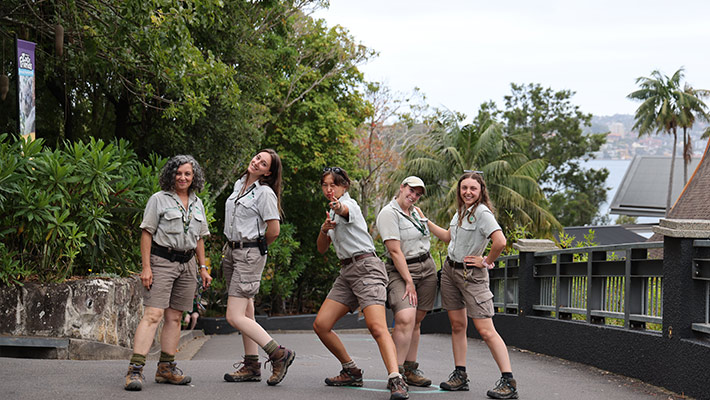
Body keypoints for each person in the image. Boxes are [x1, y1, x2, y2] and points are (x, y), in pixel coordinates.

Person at [313, 167, 409, 400]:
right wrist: (323, 230)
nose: (329, 189)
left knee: (376, 327)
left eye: (333, 185)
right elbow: (321, 249)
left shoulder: (348, 205)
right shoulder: (330, 214)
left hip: (366, 267)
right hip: (346, 271)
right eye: (325, 185)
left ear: (344, 186)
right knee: (321, 325)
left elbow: (345, 210)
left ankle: (396, 378)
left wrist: (338, 206)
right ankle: (351, 370)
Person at [425, 171, 518, 399]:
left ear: (480, 191)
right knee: (457, 326)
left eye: (472, 188)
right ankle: (460, 375)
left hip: (471, 276)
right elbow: (448, 237)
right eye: (464, 188)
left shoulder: (483, 214)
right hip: (450, 271)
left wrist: (486, 261)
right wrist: (424, 221)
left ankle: (509, 382)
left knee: (486, 330)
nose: (467, 192)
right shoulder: (460, 212)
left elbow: (500, 241)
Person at [124, 155, 213, 391]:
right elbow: (147, 233)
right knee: (153, 315)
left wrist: (203, 268)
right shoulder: (158, 200)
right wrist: (146, 267)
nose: (183, 178)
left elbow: (200, 239)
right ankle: (135, 370)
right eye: (179, 173)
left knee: (175, 317)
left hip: (188, 265)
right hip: (162, 261)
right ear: (171, 174)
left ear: (194, 177)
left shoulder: (198, 203)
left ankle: (166, 368)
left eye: (188, 174)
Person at [222, 149, 295, 386]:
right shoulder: (238, 185)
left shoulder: (264, 193)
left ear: (268, 172)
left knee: (233, 316)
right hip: (231, 251)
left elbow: (273, 230)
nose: (256, 162)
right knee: (246, 312)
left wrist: (255, 247)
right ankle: (252, 365)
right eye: (256, 158)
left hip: (249, 253)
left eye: (263, 163)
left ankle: (278, 353)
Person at [375, 176, 437, 387]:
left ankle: (411, 369)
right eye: (411, 191)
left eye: (418, 194)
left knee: (417, 320)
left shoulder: (416, 213)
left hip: (427, 267)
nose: (414, 196)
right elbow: (394, 250)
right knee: (405, 317)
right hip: (402, 270)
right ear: (401, 188)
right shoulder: (388, 214)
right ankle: (396, 372)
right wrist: (408, 281)